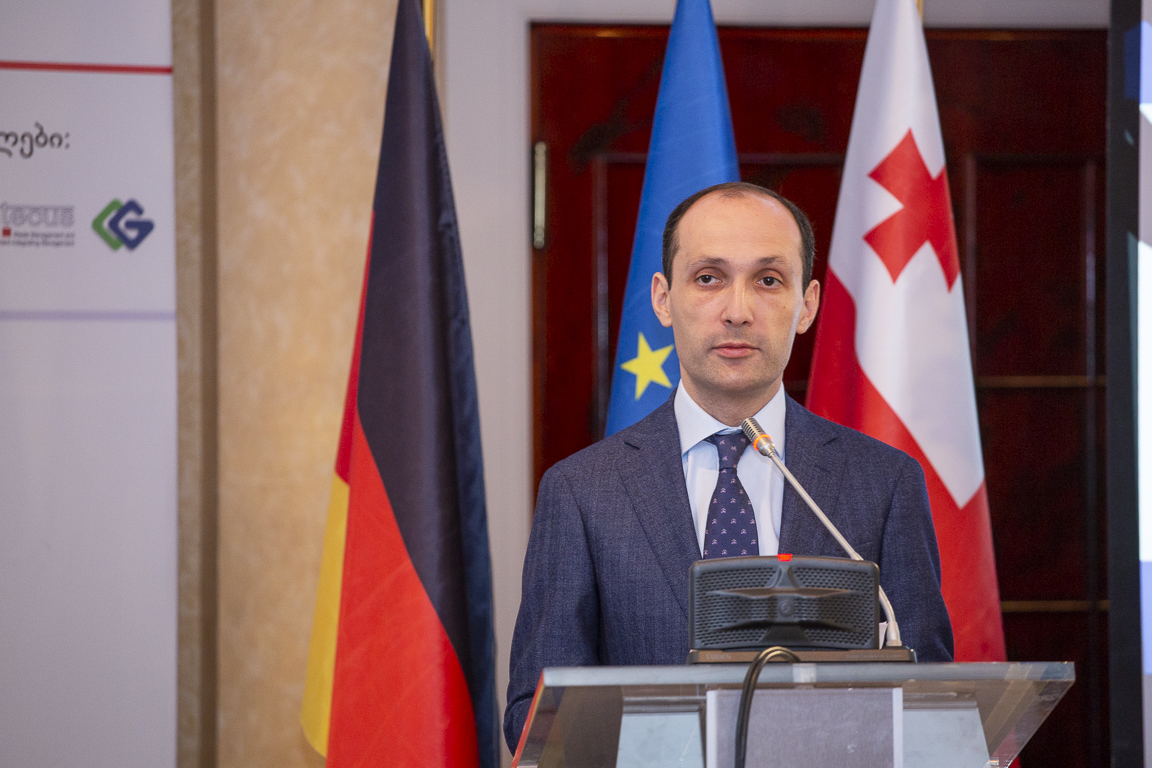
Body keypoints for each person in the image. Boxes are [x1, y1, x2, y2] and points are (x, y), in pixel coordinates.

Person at [503, 181, 953, 752]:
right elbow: (535, 715)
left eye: (768, 280)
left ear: (807, 304)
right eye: (709, 278)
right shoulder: (582, 492)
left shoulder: (883, 483)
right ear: (663, 299)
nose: (737, 312)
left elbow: (930, 701)